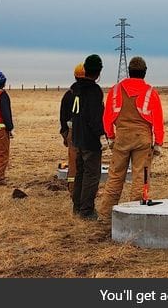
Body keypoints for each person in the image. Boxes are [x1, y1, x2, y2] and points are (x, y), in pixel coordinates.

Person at [97, 56, 164, 219]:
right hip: (143, 139)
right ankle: (135, 215)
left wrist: (111, 138)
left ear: (129, 71)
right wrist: (158, 143)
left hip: (122, 138)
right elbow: (158, 120)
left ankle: (105, 215)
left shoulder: (115, 90)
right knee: (140, 178)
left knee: (115, 176)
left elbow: (107, 117)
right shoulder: (150, 92)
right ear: (145, 72)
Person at [69, 54, 105, 220]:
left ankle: (77, 206)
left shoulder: (76, 89)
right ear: (98, 72)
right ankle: (87, 211)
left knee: (80, 173)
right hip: (90, 141)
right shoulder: (94, 91)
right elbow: (94, 117)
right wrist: (102, 136)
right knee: (92, 175)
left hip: (77, 138)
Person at [59, 62, 85, 194]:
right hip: (87, 133)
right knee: (88, 160)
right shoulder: (92, 94)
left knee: (73, 160)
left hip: (72, 132)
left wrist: (64, 133)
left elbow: (63, 116)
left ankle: (72, 188)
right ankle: (86, 189)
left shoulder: (68, 94)